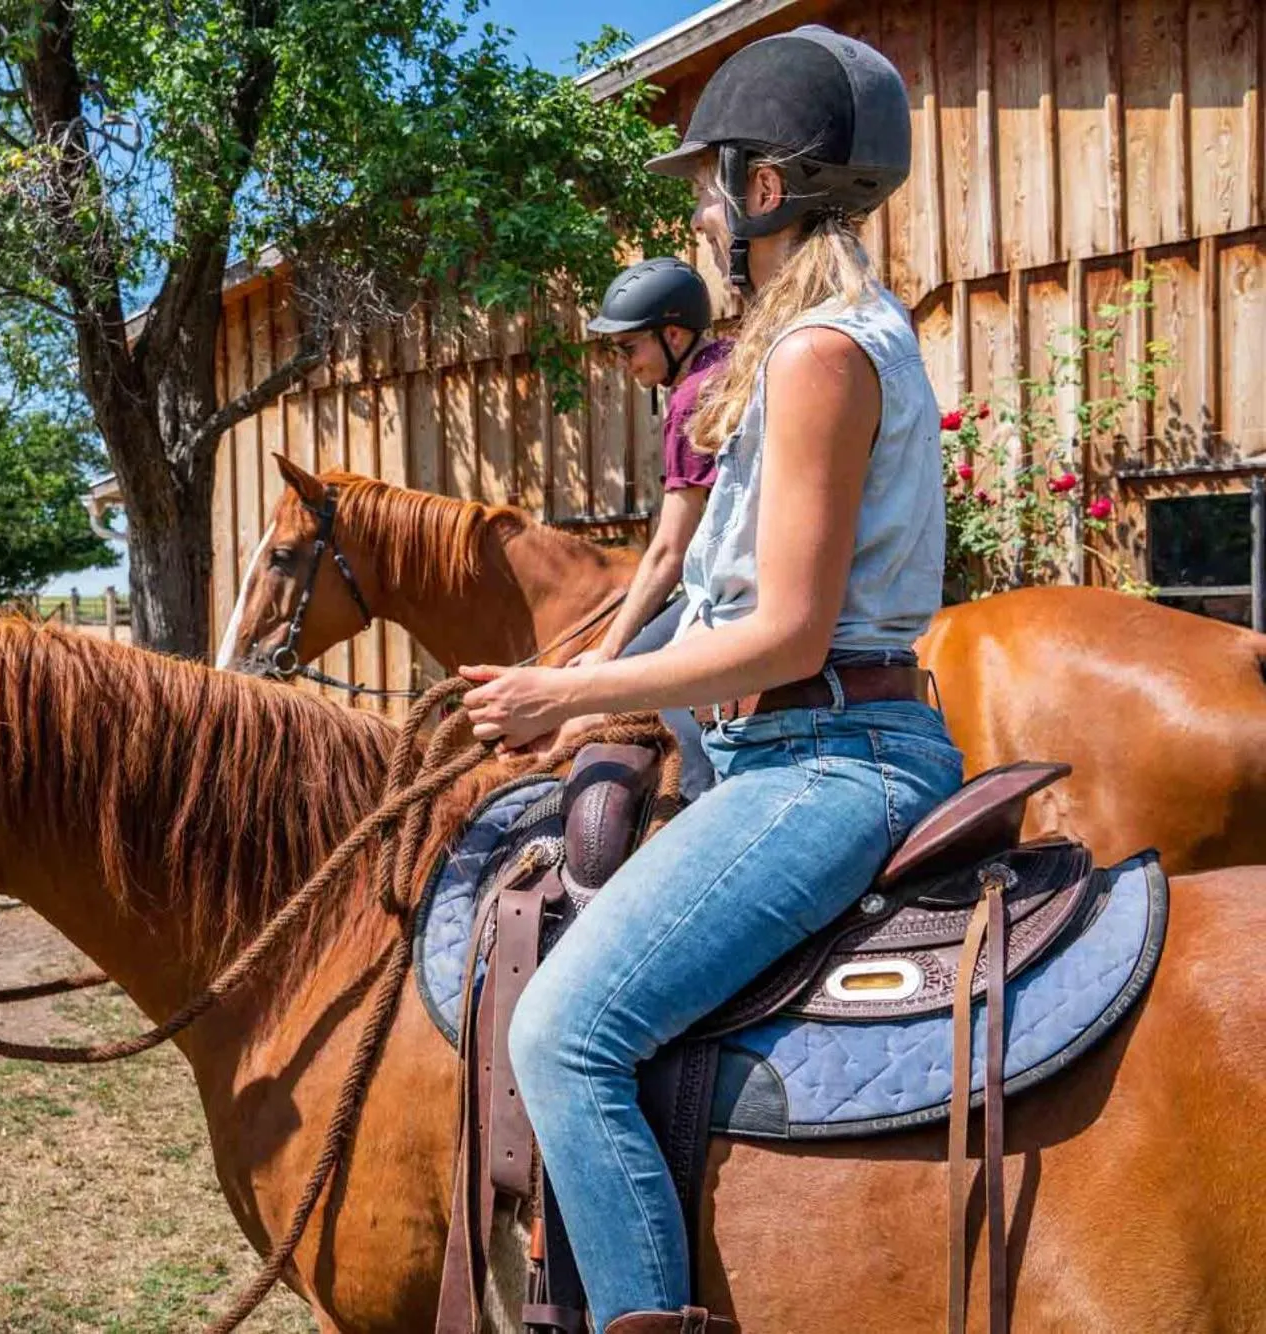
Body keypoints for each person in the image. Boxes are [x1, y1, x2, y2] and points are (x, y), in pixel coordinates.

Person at [456, 26, 964, 1334]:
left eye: (703, 182)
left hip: (825, 759)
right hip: (787, 750)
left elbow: (788, 635)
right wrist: (587, 670)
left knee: (560, 1037)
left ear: (760, 192)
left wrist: (559, 700)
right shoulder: (818, 345)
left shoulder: (814, 356)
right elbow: (723, 596)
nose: (693, 209)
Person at [574, 257, 729, 800]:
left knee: (643, 671)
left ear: (673, 334)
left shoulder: (693, 397)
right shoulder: (727, 364)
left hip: (728, 586)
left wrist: (607, 653)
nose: (625, 364)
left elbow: (669, 549)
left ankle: (701, 794)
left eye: (630, 348)